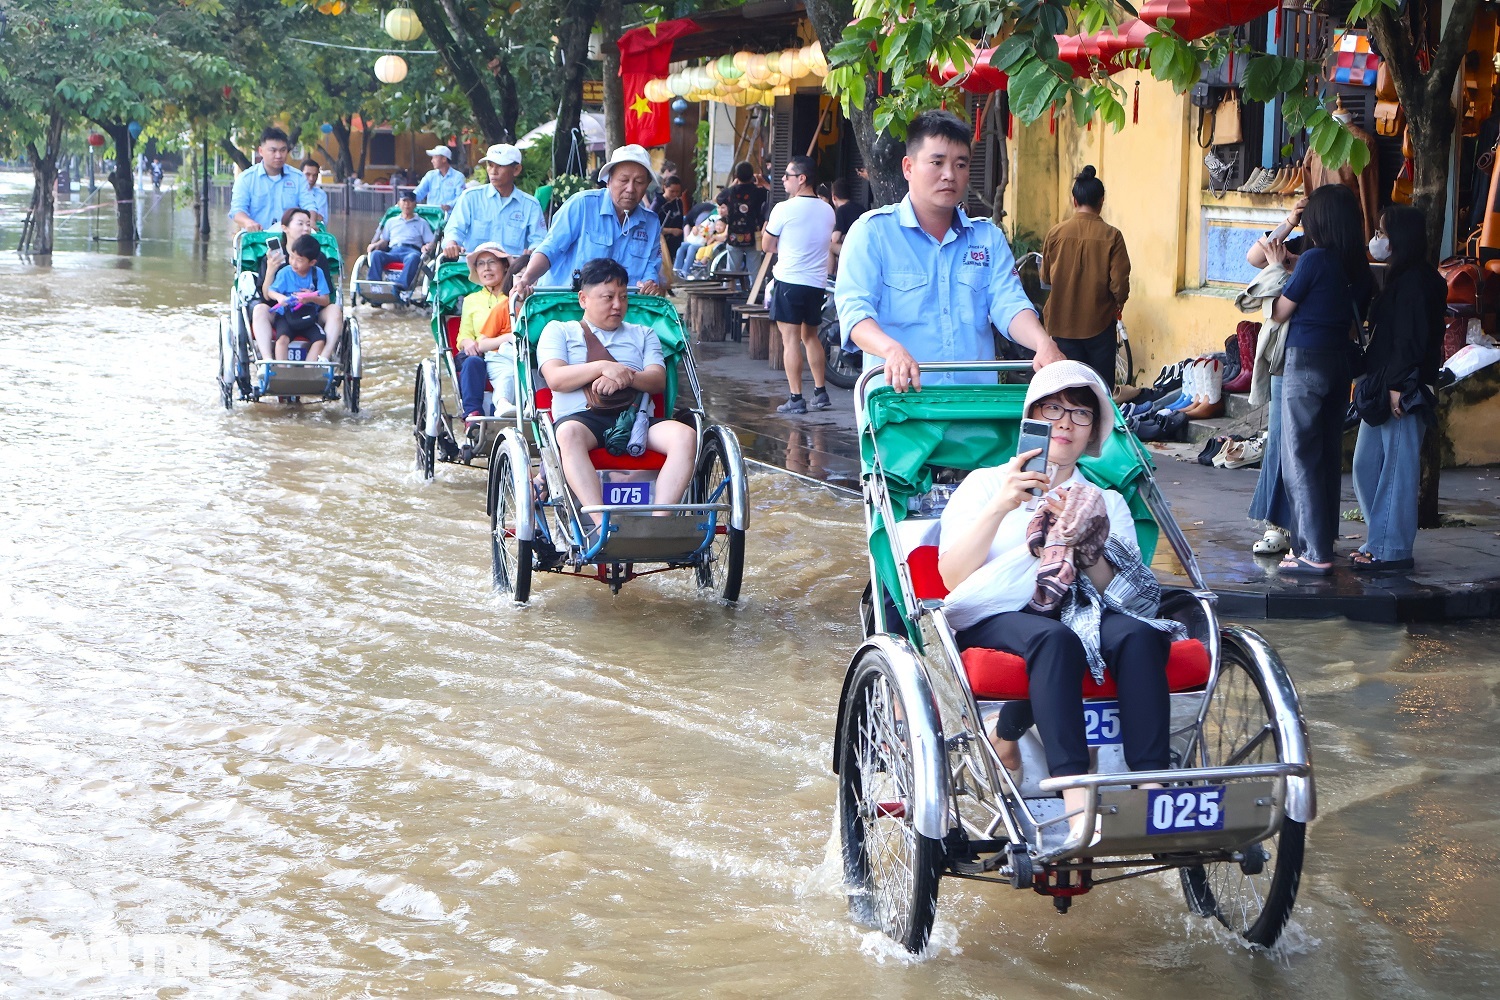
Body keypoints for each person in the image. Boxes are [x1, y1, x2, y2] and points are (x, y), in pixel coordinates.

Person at [937, 362, 1182, 841]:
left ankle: (1153, 790)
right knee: (1055, 639)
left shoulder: (1105, 500)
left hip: (1084, 607)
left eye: (1079, 414)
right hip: (997, 611)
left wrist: (1090, 550)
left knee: (1137, 634)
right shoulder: (986, 484)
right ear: (1033, 415)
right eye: (1053, 409)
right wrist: (1002, 505)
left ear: (1093, 431)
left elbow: (1125, 597)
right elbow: (952, 576)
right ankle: (1076, 806)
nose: (1065, 423)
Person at [836, 109, 1065, 388]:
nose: (949, 175)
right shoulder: (873, 232)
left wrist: (1043, 342)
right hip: (899, 403)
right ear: (908, 167)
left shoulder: (987, 239)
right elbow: (855, 311)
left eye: (960, 164)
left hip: (971, 405)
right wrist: (890, 349)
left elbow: (1009, 304)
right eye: (937, 162)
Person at [1261, 183, 1374, 575]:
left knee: (1299, 456)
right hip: (1338, 365)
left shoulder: (1315, 260)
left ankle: (1313, 553)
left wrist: (1277, 268)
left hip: (1305, 361)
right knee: (1325, 454)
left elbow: (1278, 312)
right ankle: (1322, 542)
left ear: (1321, 220)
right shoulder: (1354, 264)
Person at [536, 258, 697, 527]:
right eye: (608, 297)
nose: (618, 305)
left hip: (636, 419)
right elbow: (555, 378)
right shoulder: (559, 330)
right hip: (582, 419)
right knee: (566, 434)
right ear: (583, 298)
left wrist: (624, 376)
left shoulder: (643, 333)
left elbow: (657, 380)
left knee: (685, 435)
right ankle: (600, 523)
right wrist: (603, 367)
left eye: (623, 297)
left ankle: (658, 524)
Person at [1351, 205, 1445, 570]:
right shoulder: (1400, 278)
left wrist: (1396, 387)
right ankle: (1381, 537)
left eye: (1382, 232)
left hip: (1403, 390)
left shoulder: (1418, 283)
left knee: (1396, 469)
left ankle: (1391, 550)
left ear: (1399, 239)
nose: (1376, 240)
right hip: (1384, 386)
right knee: (1366, 464)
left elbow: (1412, 341)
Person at [513, 144, 665, 299]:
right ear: (608, 181)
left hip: (619, 310)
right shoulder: (582, 205)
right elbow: (550, 248)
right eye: (623, 180)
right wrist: (527, 279)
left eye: (639, 182)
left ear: (647, 185)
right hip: (565, 304)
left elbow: (650, 268)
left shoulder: (651, 223)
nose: (631, 188)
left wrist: (650, 285)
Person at [1040, 166, 1131, 389]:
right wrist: (1118, 305)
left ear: (1074, 200)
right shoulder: (1112, 236)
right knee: (1100, 390)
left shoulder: (1055, 233)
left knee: (1066, 389)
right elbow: (1119, 284)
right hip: (1099, 324)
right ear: (1101, 201)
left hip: (1060, 324)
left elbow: (1045, 277)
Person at [764, 155, 837, 414]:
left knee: (791, 340)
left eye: (787, 176)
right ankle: (820, 392)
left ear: (801, 179)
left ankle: (796, 398)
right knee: (811, 336)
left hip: (790, 280)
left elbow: (767, 245)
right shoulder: (828, 209)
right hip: (816, 283)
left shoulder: (784, 209)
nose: (783, 180)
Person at [250, 207, 344, 363]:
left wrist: (310, 298)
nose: (306, 228)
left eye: (308, 224)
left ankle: (324, 359)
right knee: (259, 309)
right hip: (280, 312)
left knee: (335, 310)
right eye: (300, 224)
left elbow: (326, 297)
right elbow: (267, 295)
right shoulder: (273, 257)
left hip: (311, 311)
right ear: (285, 228)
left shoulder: (317, 258)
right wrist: (270, 270)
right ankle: (267, 360)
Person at [443, 143, 546, 260]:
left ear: (516, 170)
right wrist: (452, 243)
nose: (493, 171)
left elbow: (538, 240)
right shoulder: (470, 197)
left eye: (500, 166)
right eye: (490, 165)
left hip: (511, 274)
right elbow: (454, 229)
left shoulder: (530, 205)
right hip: (470, 272)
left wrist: (534, 250)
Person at [455, 242, 519, 427]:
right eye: (481, 264)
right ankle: (473, 415)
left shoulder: (514, 297)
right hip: (480, 353)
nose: (486, 268)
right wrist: (468, 343)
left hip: (511, 353)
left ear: (505, 266)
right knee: (473, 362)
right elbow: (464, 334)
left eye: (492, 262)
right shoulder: (471, 300)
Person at [229, 127, 316, 232]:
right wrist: (248, 222)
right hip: (256, 240)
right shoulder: (246, 179)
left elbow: (309, 205)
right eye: (273, 150)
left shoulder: (298, 178)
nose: (279, 155)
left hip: (291, 240)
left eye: (283, 150)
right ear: (261, 151)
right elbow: (237, 210)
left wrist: (311, 221)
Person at [263, 234, 332, 362]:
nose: (294, 262)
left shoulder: (317, 273)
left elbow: (325, 300)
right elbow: (271, 291)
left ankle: (309, 370)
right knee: (282, 339)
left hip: (308, 316)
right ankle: (282, 369)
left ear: (312, 262)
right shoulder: (285, 272)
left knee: (320, 340)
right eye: (292, 257)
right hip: (286, 316)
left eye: (299, 260)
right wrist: (280, 298)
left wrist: (310, 298)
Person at [367, 190, 436, 295]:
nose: (406, 204)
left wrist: (426, 247)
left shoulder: (422, 223)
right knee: (376, 254)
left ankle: (400, 286)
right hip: (393, 251)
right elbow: (384, 241)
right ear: (399, 203)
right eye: (404, 201)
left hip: (411, 251)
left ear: (415, 204)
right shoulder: (391, 222)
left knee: (414, 257)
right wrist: (376, 245)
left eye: (410, 201)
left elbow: (431, 242)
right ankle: (374, 286)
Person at [716, 160, 768, 274]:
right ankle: (755, 291)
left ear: (736, 176)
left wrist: (732, 185)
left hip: (734, 235)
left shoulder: (730, 191)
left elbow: (719, 198)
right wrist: (763, 183)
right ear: (752, 176)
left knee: (731, 271)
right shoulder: (758, 191)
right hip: (753, 235)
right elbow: (773, 193)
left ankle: (729, 290)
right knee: (755, 271)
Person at [828, 178, 867, 275]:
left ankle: (829, 276)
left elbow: (835, 239)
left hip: (852, 250)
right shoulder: (861, 208)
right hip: (863, 248)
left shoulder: (841, 210)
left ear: (834, 197)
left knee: (829, 246)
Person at [413, 144, 467, 211]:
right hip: (432, 216)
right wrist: (409, 199)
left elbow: (460, 197)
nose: (432, 161)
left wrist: (449, 205)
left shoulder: (458, 177)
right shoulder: (430, 175)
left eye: (435, 157)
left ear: (444, 159)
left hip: (451, 216)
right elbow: (419, 192)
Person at [655, 175, 690, 264]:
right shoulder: (657, 204)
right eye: (672, 191)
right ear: (664, 188)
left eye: (677, 192)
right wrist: (671, 231)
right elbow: (650, 227)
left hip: (676, 242)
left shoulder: (678, 202)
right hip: (662, 243)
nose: (675, 194)